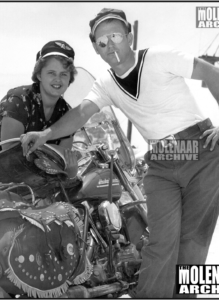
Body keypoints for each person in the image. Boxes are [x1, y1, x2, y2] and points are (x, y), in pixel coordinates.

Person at [20, 8, 219, 298]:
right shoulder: (106, 84)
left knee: (194, 241)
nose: (110, 45)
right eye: (102, 42)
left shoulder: (159, 56)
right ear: (96, 49)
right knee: (159, 241)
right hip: (161, 160)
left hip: (201, 151)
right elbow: (81, 113)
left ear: (129, 36)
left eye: (115, 36)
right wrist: (46, 134)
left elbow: (210, 72)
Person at [0, 40, 78, 187]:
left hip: (30, 162)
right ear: (39, 75)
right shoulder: (19, 99)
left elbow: (63, 157)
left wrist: (69, 168)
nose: (58, 80)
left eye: (64, 74)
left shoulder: (67, 113)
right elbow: (10, 152)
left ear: (70, 79)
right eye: (51, 73)